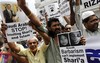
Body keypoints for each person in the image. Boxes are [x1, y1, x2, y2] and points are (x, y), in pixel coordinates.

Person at [16, 0, 86, 63]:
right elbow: (37, 22)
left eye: (58, 25)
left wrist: (80, 42)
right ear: (49, 28)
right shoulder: (48, 37)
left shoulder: (68, 38)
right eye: (54, 26)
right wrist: (24, 7)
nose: (57, 27)